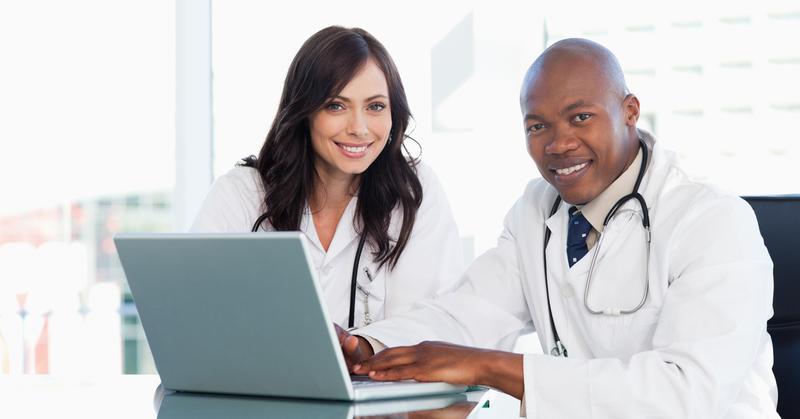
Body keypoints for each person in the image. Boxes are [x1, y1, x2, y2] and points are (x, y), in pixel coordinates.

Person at [339, 38, 778, 418]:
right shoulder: (535, 209)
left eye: (580, 117)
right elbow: (469, 311)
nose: (558, 143)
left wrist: (488, 367)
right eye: (537, 126)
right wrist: (370, 347)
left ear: (630, 111)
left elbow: (684, 395)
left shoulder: (713, 220)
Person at [191, 26, 463, 329]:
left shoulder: (414, 191)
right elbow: (196, 316)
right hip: (254, 378)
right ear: (304, 111)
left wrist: (364, 347)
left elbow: (432, 324)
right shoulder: (241, 193)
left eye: (375, 107)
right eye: (336, 106)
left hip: (380, 378)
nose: (359, 128)